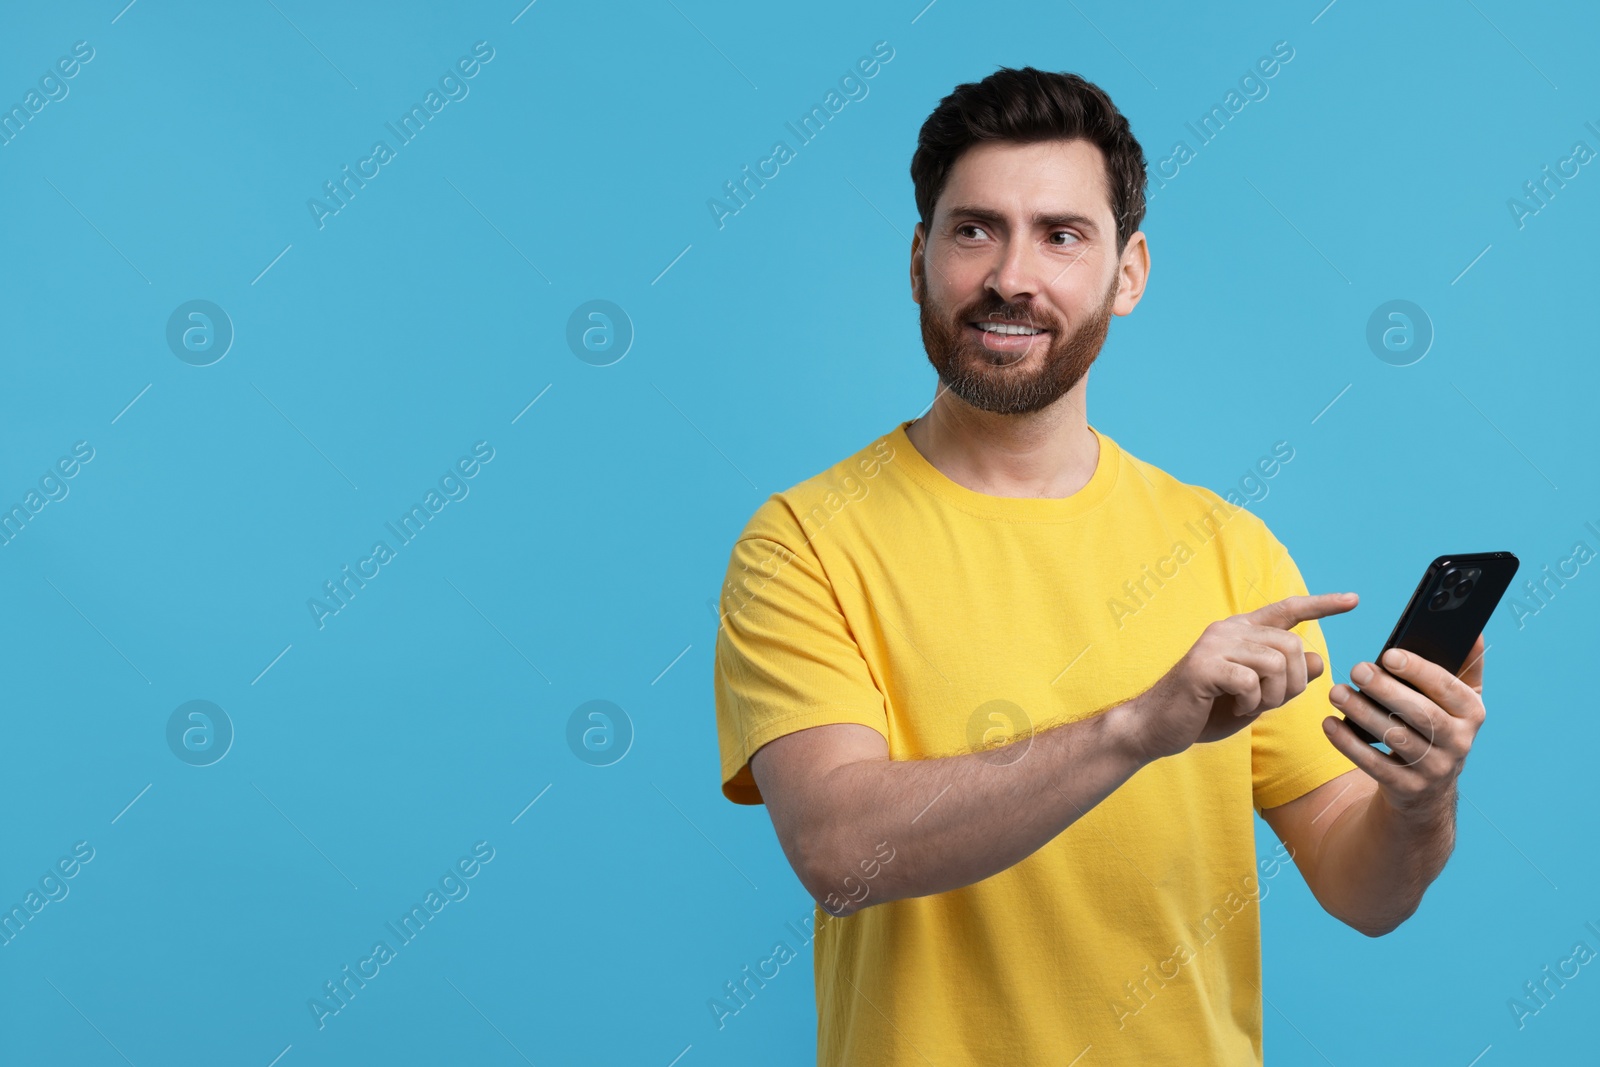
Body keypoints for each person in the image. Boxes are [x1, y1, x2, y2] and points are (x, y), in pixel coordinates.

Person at [710, 66, 1488, 1066]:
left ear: (1129, 272)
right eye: (973, 229)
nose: (1009, 277)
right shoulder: (804, 541)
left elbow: (1362, 890)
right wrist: (1135, 728)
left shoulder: (1227, 548)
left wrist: (1419, 802)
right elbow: (839, 850)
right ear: (918, 259)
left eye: (1061, 235)